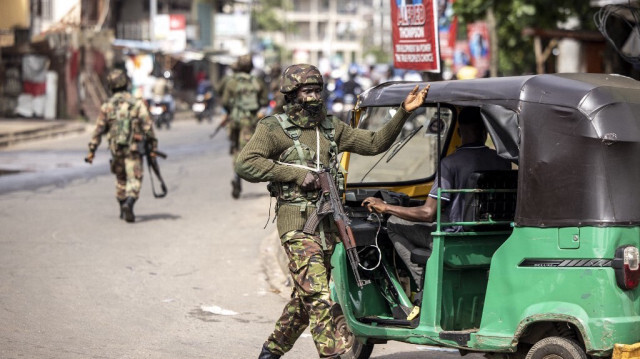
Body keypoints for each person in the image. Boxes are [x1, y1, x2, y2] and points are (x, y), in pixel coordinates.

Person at [235, 63, 429, 359]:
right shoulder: (273, 128)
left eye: (317, 90)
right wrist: (295, 174)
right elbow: (245, 164)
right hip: (297, 224)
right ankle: (333, 354)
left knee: (306, 298)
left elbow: (375, 143)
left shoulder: (331, 128)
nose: (313, 97)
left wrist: (404, 111)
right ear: (291, 94)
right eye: (306, 90)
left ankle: (270, 352)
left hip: (327, 227)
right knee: (318, 294)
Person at [362, 107, 511, 290]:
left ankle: (423, 285)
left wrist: (386, 207)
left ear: (458, 131)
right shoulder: (501, 161)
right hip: (492, 236)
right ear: (485, 131)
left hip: (455, 239)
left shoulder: (450, 164)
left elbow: (428, 213)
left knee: (393, 222)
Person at [85, 68, 158, 223]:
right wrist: (153, 145)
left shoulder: (107, 106)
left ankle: (122, 207)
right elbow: (147, 126)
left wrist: (92, 150)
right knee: (135, 178)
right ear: (125, 83)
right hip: (133, 149)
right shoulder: (136, 104)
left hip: (116, 149)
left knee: (120, 178)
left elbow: (98, 130)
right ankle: (130, 203)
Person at [222, 54, 269, 199]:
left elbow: (225, 102)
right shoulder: (257, 82)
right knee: (244, 151)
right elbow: (264, 101)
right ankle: (239, 175)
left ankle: (236, 175)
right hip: (249, 122)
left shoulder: (232, 82)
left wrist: (232, 111)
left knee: (235, 148)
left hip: (234, 121)